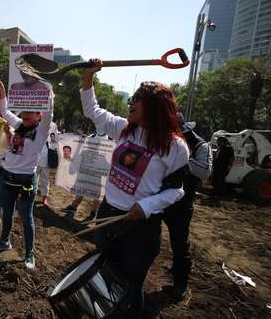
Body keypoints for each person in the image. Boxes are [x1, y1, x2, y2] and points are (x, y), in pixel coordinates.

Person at [80, 60, 189, 316]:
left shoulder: (175, 147)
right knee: (104, 277)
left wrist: (147, 206)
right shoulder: (125, 130)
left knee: (130, 287)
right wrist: (88, 77)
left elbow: (177, 190)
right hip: (108, 216)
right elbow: (92, 110)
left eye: (136, 99)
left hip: (140, 229)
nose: (130, 103)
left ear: (153, 106)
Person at [0, 81, 54, 270]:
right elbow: (5, 111)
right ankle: (4, 241)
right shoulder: (18, 125)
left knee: (26, 218)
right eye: (25, 108)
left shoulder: (41, 131)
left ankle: (29, 252)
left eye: (31, 110)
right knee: (7, 213)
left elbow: (49, 114)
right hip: (8, 176)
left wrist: (49, 97)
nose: (25, 112)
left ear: (39, 115)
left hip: (26, 181)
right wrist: (2, 95)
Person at [163, 114, 212, 300]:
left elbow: (204, 171)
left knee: (180, 245)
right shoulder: (165, 141)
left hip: (181, 206)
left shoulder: (202, 146)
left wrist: (181, 157)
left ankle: (180, 285)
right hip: (160, 199)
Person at [36, 123, 57, 206]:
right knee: (33, 178)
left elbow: (55, 139)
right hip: (35, 157)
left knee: (45, 180)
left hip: (46, 158)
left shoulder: (53, 125)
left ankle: (44, 197)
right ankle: (31, 194)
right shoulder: (37, 122)